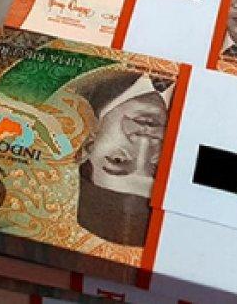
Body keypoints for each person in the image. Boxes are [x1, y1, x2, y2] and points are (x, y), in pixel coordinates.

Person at [67, 66, 173, 247]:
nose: (145, 141)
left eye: (118, 160)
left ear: (87, 146)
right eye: (157, 168)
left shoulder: (80, 81)